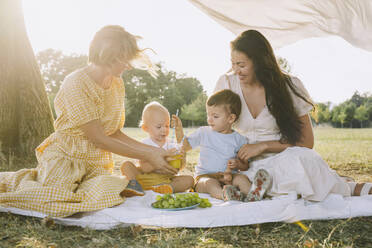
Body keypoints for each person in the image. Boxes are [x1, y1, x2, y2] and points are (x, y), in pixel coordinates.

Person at [0, 25, 179, 217]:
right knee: (55, 199)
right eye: (124, 59)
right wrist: (148, 155)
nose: (128, 65)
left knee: (111, 189)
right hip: (67, 157)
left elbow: (114, 132)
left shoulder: (117, 83)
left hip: (96, 162)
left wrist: (154, 151)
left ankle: (77, 192)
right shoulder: (76, 83)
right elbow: (99, 138)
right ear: (109, 55)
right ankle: (17, 181)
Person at [214, 29, 372, 201]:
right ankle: (256, 188)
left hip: (282, 162)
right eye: (233, 63)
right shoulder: (226, 83)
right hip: (241, 166)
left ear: (260, 62)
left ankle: (344, 186)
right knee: (293, 179)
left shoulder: (289, 86)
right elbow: (214, 128)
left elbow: (306, 142)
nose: (236, 70)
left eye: (242, 65)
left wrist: (264, 146)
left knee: (305, 159)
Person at [173, 89, 272, 201]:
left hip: (229, 176)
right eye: (208, 114)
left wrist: (238, 164)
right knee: (210, 184)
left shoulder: (239, 139)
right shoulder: (203, 132)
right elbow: (184, 146)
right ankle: (225, 195)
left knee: (241, 179)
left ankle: (252, 193)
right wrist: (178, 130)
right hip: (205, 176)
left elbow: (245, 166)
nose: (209, 120)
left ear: (231, 118)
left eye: (215, 116)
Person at [120, 101, 194, 195]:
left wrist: (182, 158)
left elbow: (179, 168)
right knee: (126, 165)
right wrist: (162, 161)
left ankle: (167, 188)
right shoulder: (144, 144)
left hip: (165, 180)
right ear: (145, 128)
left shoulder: (171, 145)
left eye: (167, 126)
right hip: (144, 179)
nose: (164, 130)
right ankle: (135, 185)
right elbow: (144, 168)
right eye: (159, 127)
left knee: (189, 180)